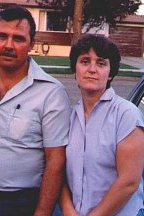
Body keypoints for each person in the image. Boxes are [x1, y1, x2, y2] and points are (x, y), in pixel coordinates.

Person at [0, 5, 72, 216]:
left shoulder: (51, 93)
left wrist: (42, 211)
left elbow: (56, 160)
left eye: (18, 39)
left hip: (21, 205)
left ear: (32, 44)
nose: (8, 45)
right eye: (2, 36)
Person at [60, 34, 144, 216]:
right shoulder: (69, 116)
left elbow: (129, 182)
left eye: (101, 63)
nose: (92, 69)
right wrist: (68, 211)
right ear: (75, 69)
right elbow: (61, 174)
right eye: (84, 61)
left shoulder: (126, 115)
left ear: (111, 73)